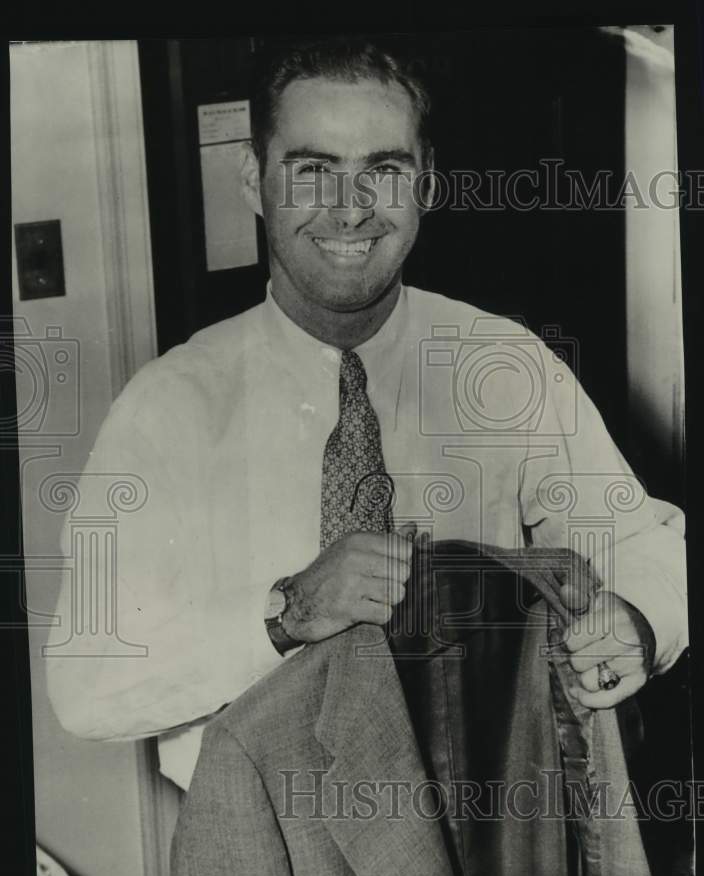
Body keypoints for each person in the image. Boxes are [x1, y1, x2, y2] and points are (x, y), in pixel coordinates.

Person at [46, 37, 687, 794]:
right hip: (262, 841)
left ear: (426, 183)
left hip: (482, 818)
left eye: (383, 171)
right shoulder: (168, 406)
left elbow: (642, 539)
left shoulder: (503, 363)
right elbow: (84, 685)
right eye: (313, 171)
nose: (350, 212)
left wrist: (642, 620)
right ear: (254, 180)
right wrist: (284, 613)